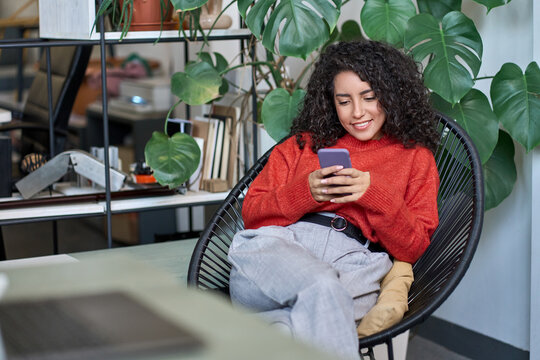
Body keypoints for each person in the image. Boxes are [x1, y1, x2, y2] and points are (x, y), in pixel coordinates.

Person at [227, 40, 440, 360]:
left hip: (354, 264)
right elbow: (252, 214)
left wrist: (374, 194)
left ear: (392, 94)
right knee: (324, 290)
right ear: (330, 101)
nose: (357, 112)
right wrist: (305, 193)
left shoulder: (415, 159)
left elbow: (413, 247)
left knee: (307, 313)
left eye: (369, 97)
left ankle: (276, 331)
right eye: (344, 101)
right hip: (277, 252)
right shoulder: (300, 146)